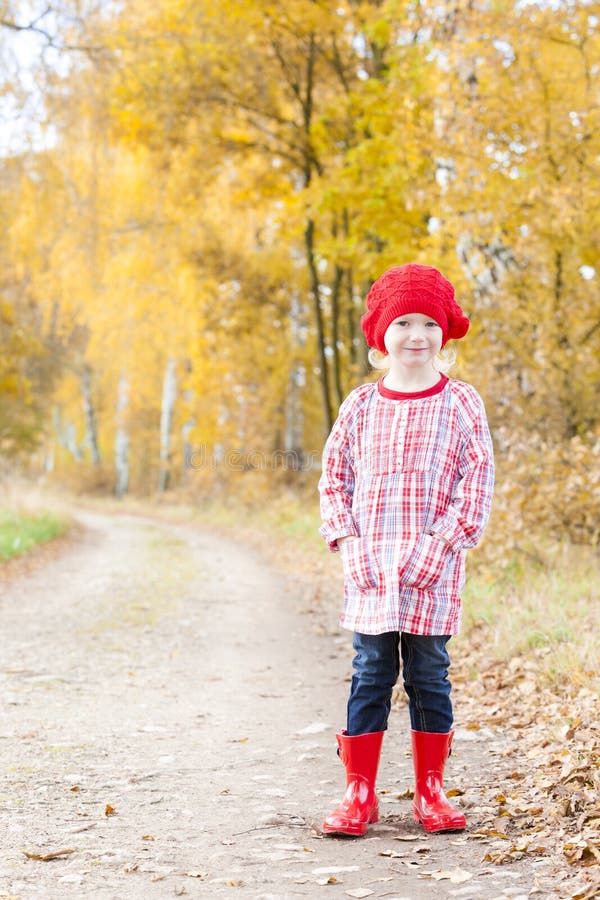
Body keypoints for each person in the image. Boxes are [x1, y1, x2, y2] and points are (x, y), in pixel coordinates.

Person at [318, 263, 494, 837]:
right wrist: (348, 541)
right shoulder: (360, 406)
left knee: (429, 673)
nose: (415, 335)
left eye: (427, 324)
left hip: (433, 571)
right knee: (370, 672)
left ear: (443, 334)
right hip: (370, 569)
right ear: (380, 336)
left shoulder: (461, 404)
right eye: (403, 323)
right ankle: (358, 791)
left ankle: (431, 790)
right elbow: (334, 477)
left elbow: (476, 480)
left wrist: (441, 543)